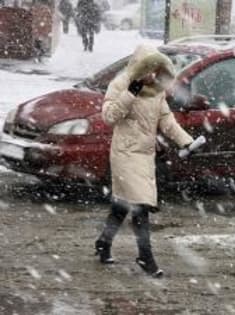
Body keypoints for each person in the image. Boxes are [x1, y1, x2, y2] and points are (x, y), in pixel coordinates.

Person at [95, 45, 196, 278]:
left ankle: (103, 243)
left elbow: (167, 121)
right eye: (149, 69)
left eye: (157, 69)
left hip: (145, 155)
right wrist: (130, 93)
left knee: (122, 205)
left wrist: (186, 142)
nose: (153, 75)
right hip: (124, 154)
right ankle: (145, 257)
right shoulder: (120, 84)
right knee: (140, 205)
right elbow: (109, 117)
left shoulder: (156, 91)